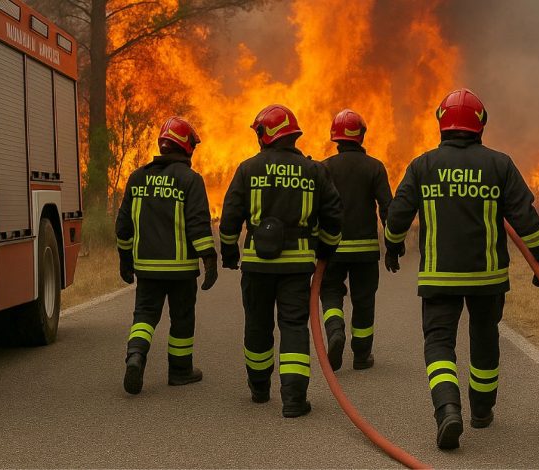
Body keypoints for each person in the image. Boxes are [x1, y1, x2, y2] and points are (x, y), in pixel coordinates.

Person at [385, 89, 539, 449]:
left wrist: (393, 244)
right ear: (480, 125)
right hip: (487, 277)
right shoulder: (500, 164)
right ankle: (481, 411)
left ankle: (447, 410)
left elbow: (398, 215)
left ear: (441, 124)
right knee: (485, 337)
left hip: (438, 276)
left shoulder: (422, 165)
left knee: (439, 343)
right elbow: (525, 217)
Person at [219, 104, 343, 418]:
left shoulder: (247, 169)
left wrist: (230, 253)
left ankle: (260, 389)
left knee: (257, 326)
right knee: (293, 327)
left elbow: (230, 217)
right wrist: (325, 252)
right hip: (297, 267)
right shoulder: (314, 170)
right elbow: (333, 216)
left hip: (257, 266)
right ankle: (293, 400)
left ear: (265, 135)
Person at [115, 116, 218, 395]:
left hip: (147, 269)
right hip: (181, 270)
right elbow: (198, 224)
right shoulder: (190, 180)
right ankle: (180, 371)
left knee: (144, 316)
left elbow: (124, 226)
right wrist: (209, 258)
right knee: (182, 318)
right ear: (186, 147)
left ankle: (135, 357)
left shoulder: (137, 179)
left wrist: (125, 260)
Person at [320, 109, 395, 371]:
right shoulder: (374, 167)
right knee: (364, 300)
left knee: (329, 292)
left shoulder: (324, 167)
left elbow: (316, 209)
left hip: (332, 248)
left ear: (335, 137)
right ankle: (362, 355)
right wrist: (393, 246)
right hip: (365, 251)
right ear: (361, 135)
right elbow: (388, 208)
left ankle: (335, 330)